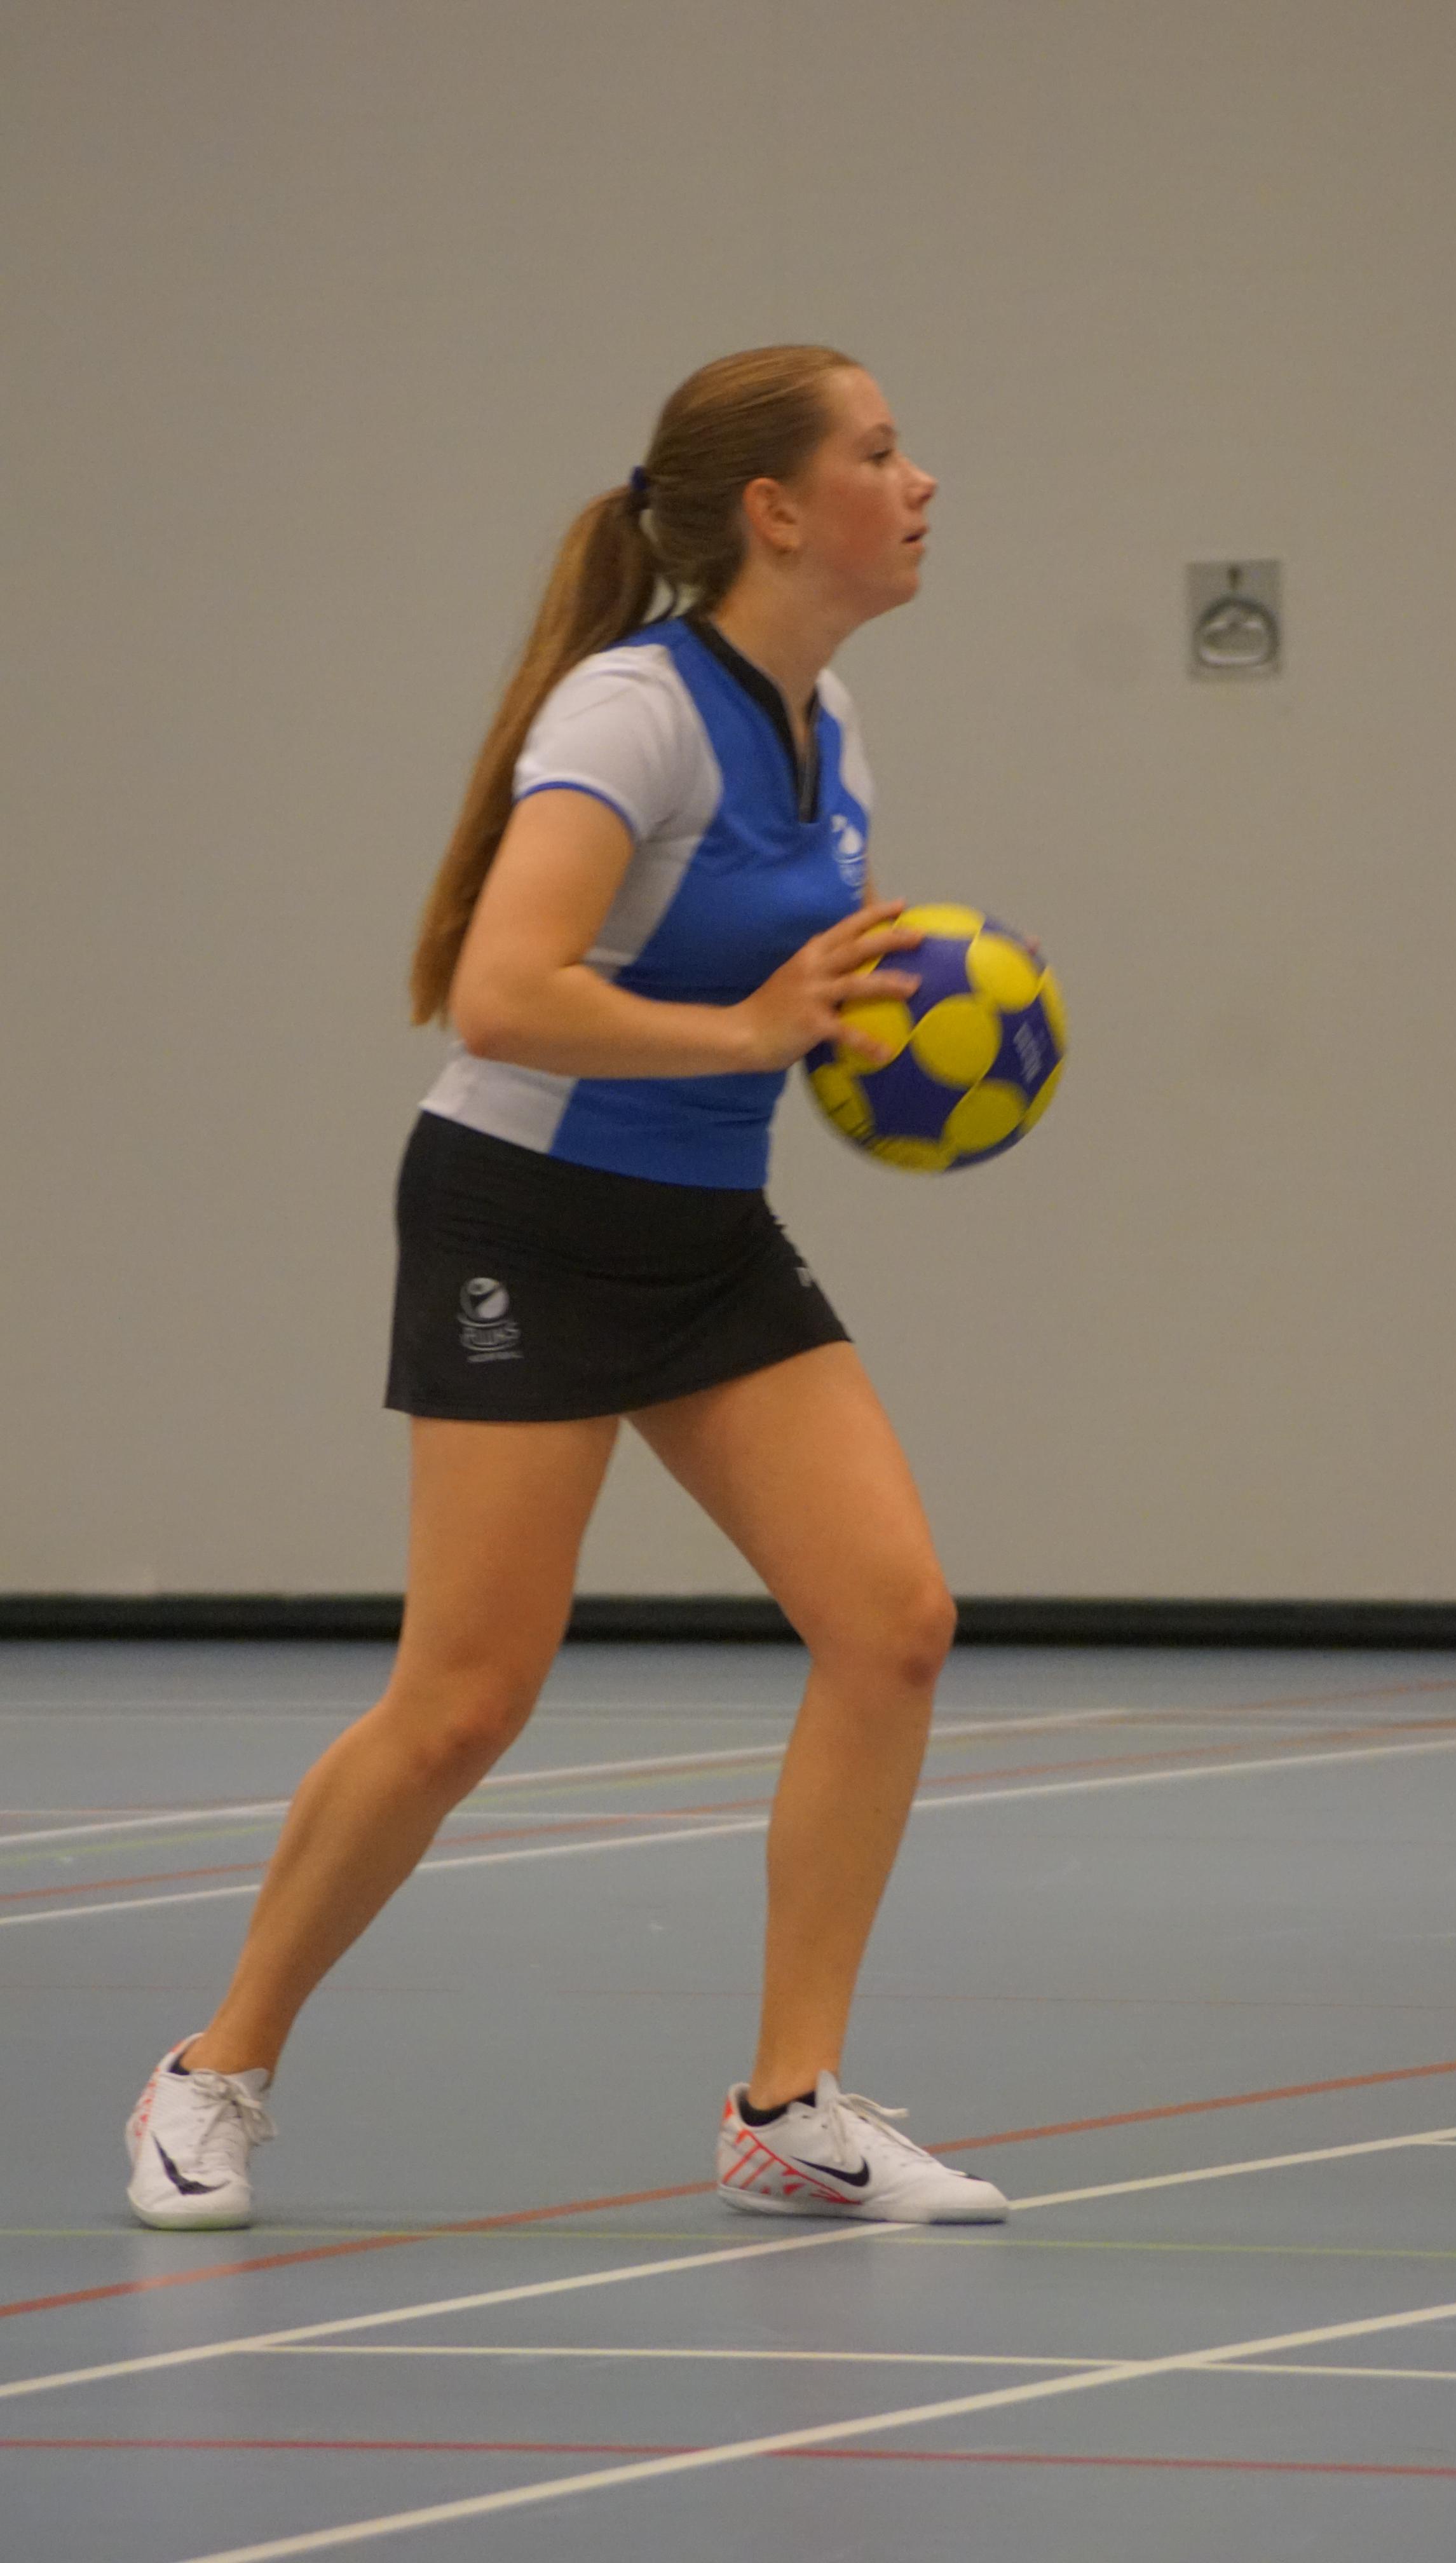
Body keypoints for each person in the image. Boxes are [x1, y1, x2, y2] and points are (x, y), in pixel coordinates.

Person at [124, 343, 1009, 2232]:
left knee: (893, 1625)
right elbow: (503, 992)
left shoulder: (829, 719)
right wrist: (749, 1025)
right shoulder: (636, 710)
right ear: (776, 511)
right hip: (521, 1216)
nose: (920, 479)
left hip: (704, 1228)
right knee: (465, 1701)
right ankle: (215, 2070)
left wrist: (871, 1007)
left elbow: (773, 982)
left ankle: (789, 2109)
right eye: (879, 451)